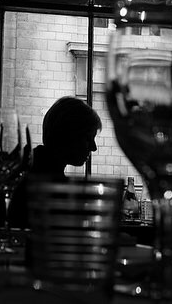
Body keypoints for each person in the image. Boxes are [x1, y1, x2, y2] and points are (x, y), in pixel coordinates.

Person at [6, 96, 102, 229]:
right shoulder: (46, 183)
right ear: (68, 135)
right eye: (88, 138)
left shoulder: (31, 165)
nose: (93, 147)